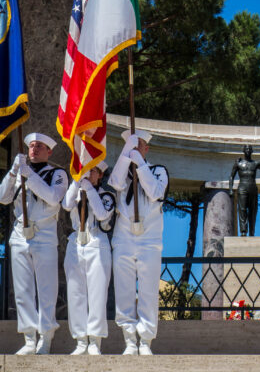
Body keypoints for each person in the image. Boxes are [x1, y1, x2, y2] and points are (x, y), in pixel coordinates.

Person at [0, 132, 68, 355]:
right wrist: (13, 172)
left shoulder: (57, 174)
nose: (34, 150)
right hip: (20, 234)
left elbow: (54, 198)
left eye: (40, 147)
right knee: (22, 289)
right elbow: (2, 197)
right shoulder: (19, 173)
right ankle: (29, 338)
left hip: (44, 234)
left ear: (49, 151)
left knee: (46, 289)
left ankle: (45, 337)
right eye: (32, 146)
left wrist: (30, 176)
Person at [109, 129, 168, 356]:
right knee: (123, 291)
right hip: (124, 238)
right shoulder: (122, 173)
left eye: (139, 144)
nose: (135, 148)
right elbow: (114, 182)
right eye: (132, 144)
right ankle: (129, 340)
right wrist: (126, 154)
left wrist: (141, 165)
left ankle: (145, 340)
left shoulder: (157, 171)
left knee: (148, 291)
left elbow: (155, 192)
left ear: (147, 149)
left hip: (149, 239)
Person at [62, 160, 116, 355]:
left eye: (92, 171)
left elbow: (102, 214)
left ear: (100, 175)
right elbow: (67, 205)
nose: (88, 174)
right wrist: (76, 182)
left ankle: (95, 341)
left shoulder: (107, 195)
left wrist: (89, 190)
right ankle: (80, 341)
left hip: (97, 243)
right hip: (76, 242)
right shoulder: (76, 192)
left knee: (97, 295)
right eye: (85, 170)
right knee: (75, 294)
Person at [228, 144, 260, 237]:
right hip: (242, 187)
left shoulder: (255, 163)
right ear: (243, 151)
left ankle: (252, 232)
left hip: (252, 188)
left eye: (249, 149)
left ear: (252, 151)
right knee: (242, 210)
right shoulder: (238, 163)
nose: (248, 150)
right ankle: (243, 231)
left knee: (253, 211)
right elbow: (231, 176)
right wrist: (231, 189)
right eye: (246, 149)